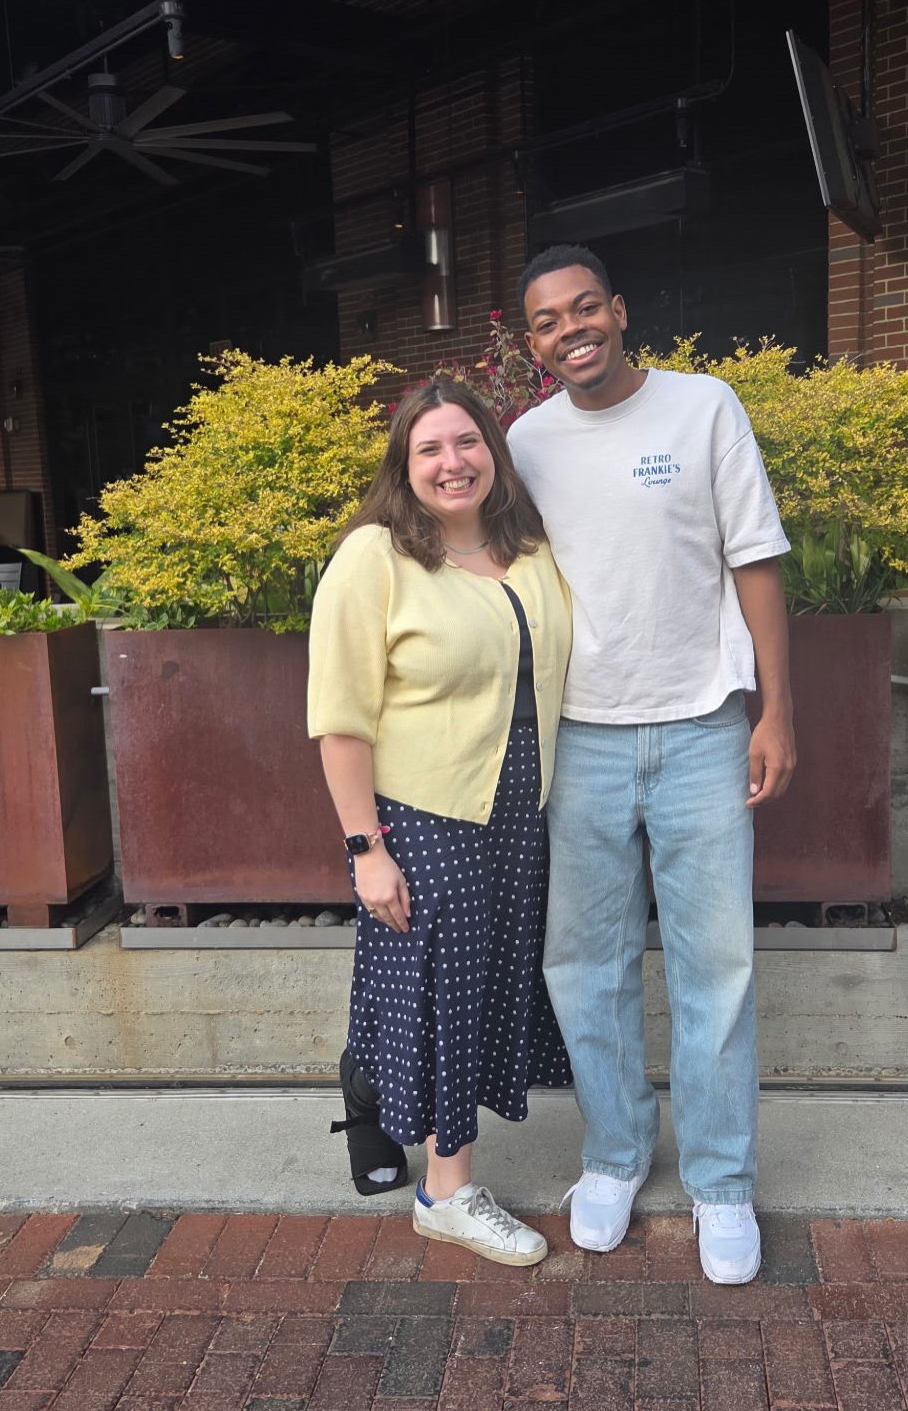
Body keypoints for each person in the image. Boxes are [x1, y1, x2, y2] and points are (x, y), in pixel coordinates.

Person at [507, 244, 796, 1285]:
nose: (570, 329)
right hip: (578, 734)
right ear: (532, 342)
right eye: (548, 320)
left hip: (703, 724)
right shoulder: (525, 442)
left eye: (585, 307)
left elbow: (754, 557)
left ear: (620, 311)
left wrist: (775, 710)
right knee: (584, 966)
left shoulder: (703, 407)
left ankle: (722, 1180)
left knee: (715, 966)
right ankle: (616, 1154)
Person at [307, 379, 573, 1266]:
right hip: (423, 816)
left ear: (492, 451)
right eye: (429, 448)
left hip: (519, 811)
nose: (452, 462)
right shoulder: (375, 557)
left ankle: (392, 1114)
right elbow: (340, 716)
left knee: (484, 983)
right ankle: (445, 1192)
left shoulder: (527, 548)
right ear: (404, 464)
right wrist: (365, 848)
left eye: (466, 442)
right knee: (444, 993)